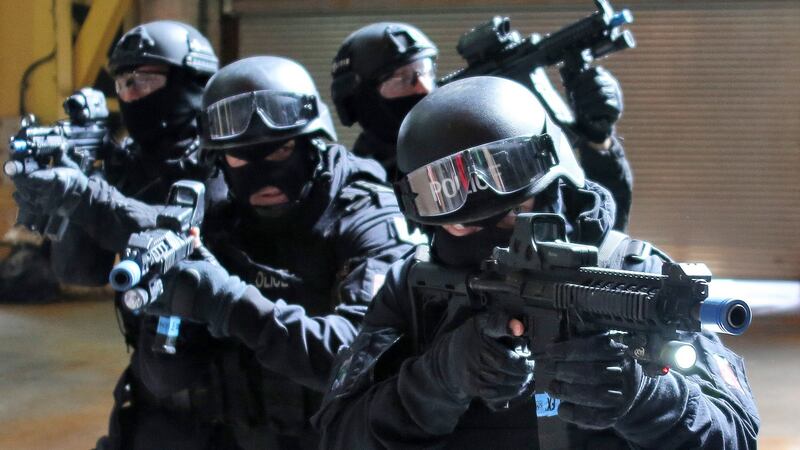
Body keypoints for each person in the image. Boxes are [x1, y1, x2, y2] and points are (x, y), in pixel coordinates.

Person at [312, 76, 759, 449]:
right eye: (463, 227)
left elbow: (735, 435)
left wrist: (646, 399)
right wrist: (436, 380)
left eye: (512, 215)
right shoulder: (411, 288)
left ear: (552, 189)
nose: (493, 239)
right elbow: (337, 434)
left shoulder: (631, 275)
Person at [134, 55, 416, 448]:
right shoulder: (209, 213)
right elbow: (165, 377)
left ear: (311, 144)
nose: (262, 173)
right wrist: (170, 313)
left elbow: (363, 353)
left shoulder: (363, 208)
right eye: (240, 156)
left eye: (280, 151)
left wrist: (230, 305)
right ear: (219, 158)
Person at [9, 20, 228, 449]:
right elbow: (78, 270)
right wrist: (77, 182)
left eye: (144, 80)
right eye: (123, 83)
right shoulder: (126, 161)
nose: (130, 94)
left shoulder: (229, 156)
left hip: (232, 385)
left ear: (190, 81)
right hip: (154, 379)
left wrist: (93, 197)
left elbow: (198, 236)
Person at [331, 22, 633, 230]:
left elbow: (590, 222)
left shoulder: (476, 152)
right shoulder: (356, 188)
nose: (424, 87)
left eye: (424, 69)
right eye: (400, 78)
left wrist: (599, 142)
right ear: (360, 100)